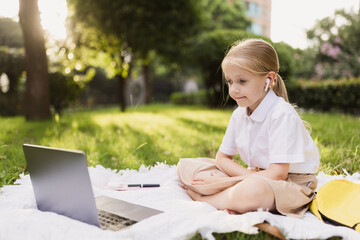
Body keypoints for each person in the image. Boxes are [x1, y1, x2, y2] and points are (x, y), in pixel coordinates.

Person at [177, 38, 320, 218]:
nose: (234, 90)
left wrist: (233, 180)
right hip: (255, 175)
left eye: (242, 81)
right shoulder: (239, 114)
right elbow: (221, 158)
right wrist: (239, 177)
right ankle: (229, 195)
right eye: (230, 81)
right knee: (187, 165)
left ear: (269, 79)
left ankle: (206, 200)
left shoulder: (281, 114)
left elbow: (278, 174)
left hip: (290, 184)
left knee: (253, 191)